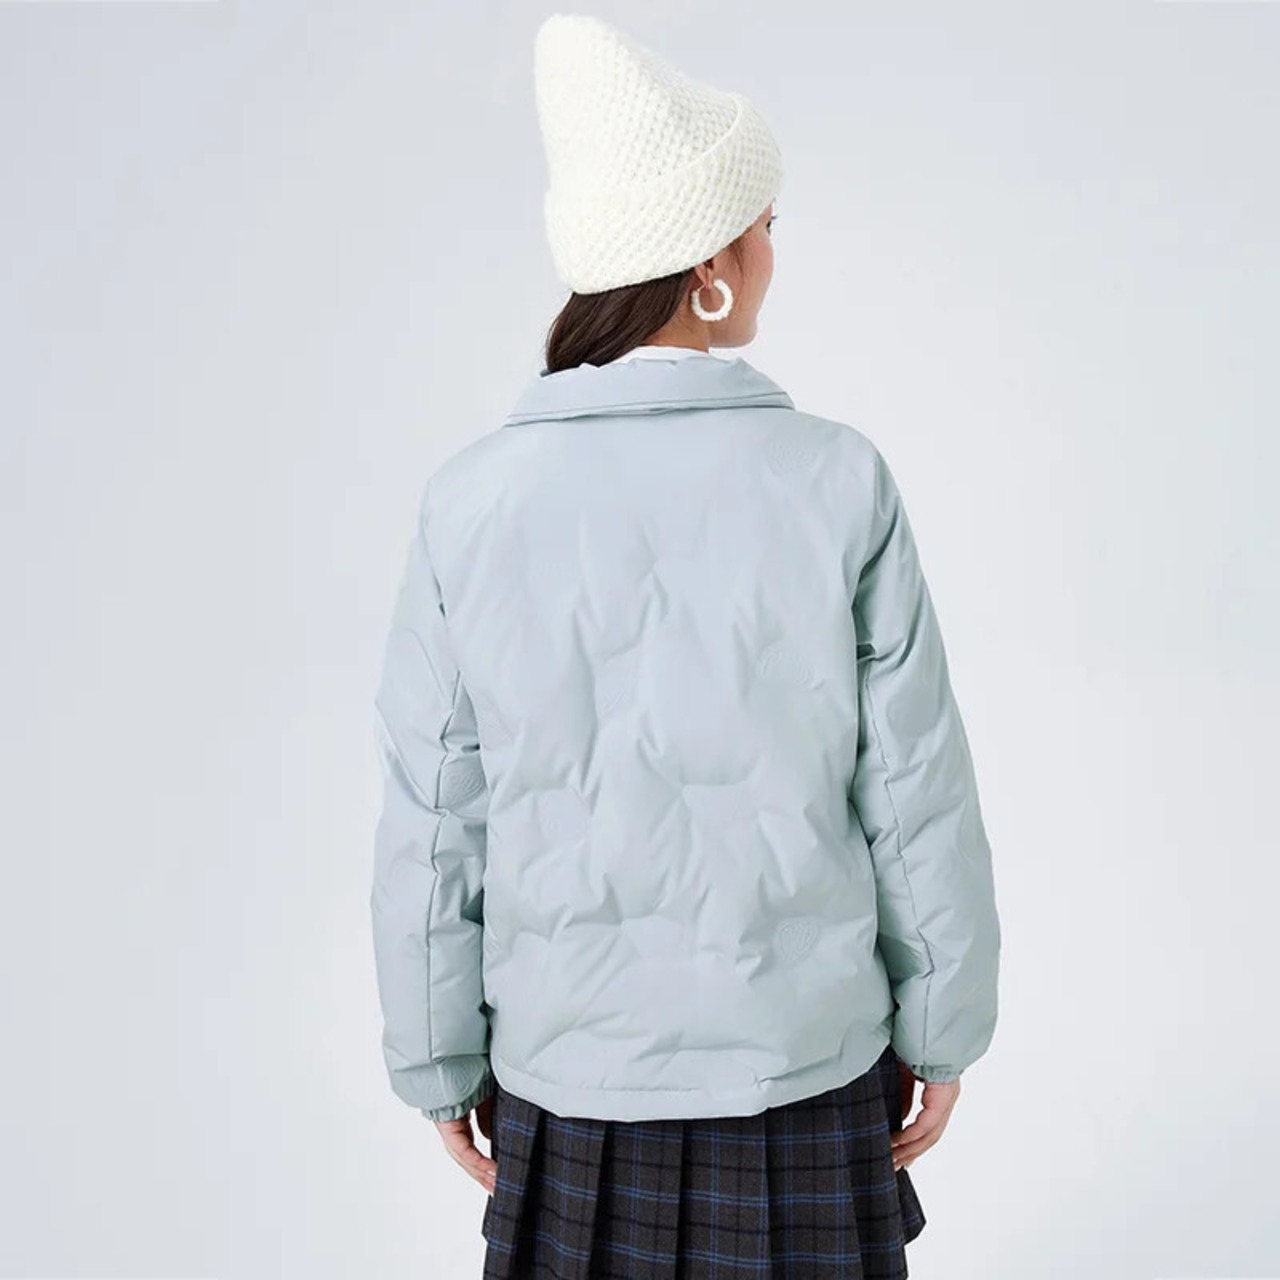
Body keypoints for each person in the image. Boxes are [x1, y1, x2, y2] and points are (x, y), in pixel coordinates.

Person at [369, 13, 1002, 1278]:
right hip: (803, 1070)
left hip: (570, 1082)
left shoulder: (468, 502)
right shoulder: (837, 479)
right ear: (708, 257)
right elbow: (911, 789)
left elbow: (436, 814)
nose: (772, 251)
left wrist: (437, 1056)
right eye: (764, 223)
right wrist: (941, 1026)